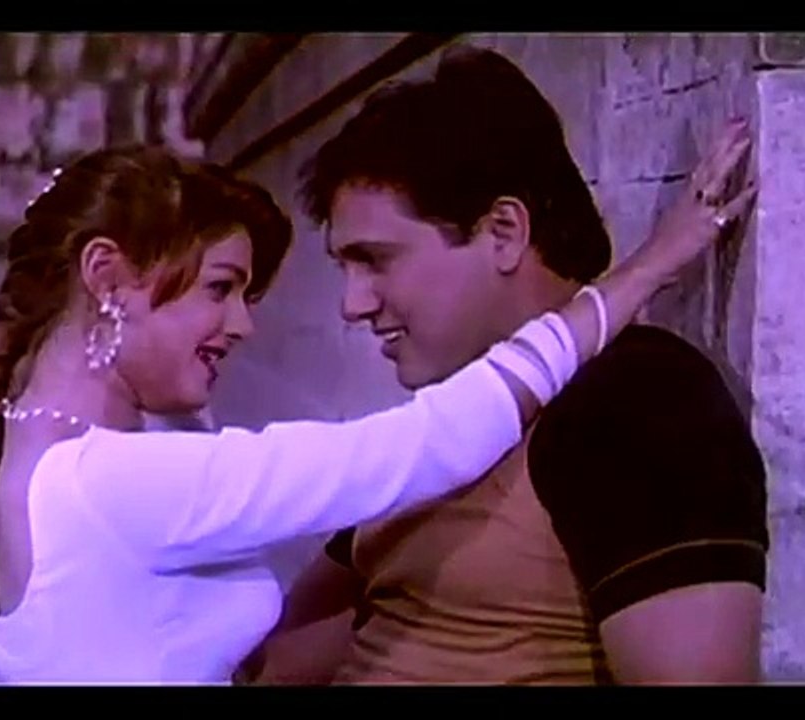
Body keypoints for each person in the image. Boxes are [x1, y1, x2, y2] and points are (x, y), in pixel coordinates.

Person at [0, 124, 748, 685]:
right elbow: (427, 443)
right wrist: (649, 267)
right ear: (107, 278)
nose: (241, 325)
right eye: (220, 287)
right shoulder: (127, 484)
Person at [241, 46, 765, 686]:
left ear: (504, 232)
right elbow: (282, 654)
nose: (353, 305)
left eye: (375, 259)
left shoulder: (637, 398)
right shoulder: (442, 424)